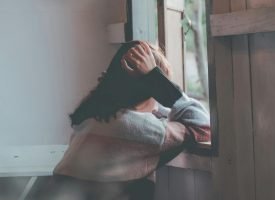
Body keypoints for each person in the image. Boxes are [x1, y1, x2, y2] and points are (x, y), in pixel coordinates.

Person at [26, 40, 210, 200]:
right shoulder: (139, 129)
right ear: (151, 91)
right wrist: (157, 79)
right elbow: (202, 125)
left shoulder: (94, 118)